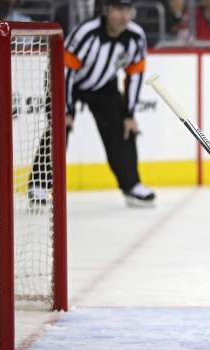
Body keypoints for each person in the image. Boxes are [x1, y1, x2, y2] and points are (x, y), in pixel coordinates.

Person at [29, 0, 156, 207]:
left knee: (122, 128)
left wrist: (129, 114)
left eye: (127, 10)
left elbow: (135, 74)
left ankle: (132, 185)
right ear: (107, 10)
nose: (124, 16)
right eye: (118, 10)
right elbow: (65, 72)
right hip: (65, 82)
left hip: (103, 85)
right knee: (59, 127)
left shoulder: (135, 36)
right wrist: (66, 109)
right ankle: (40, 183)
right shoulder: (86, 33)